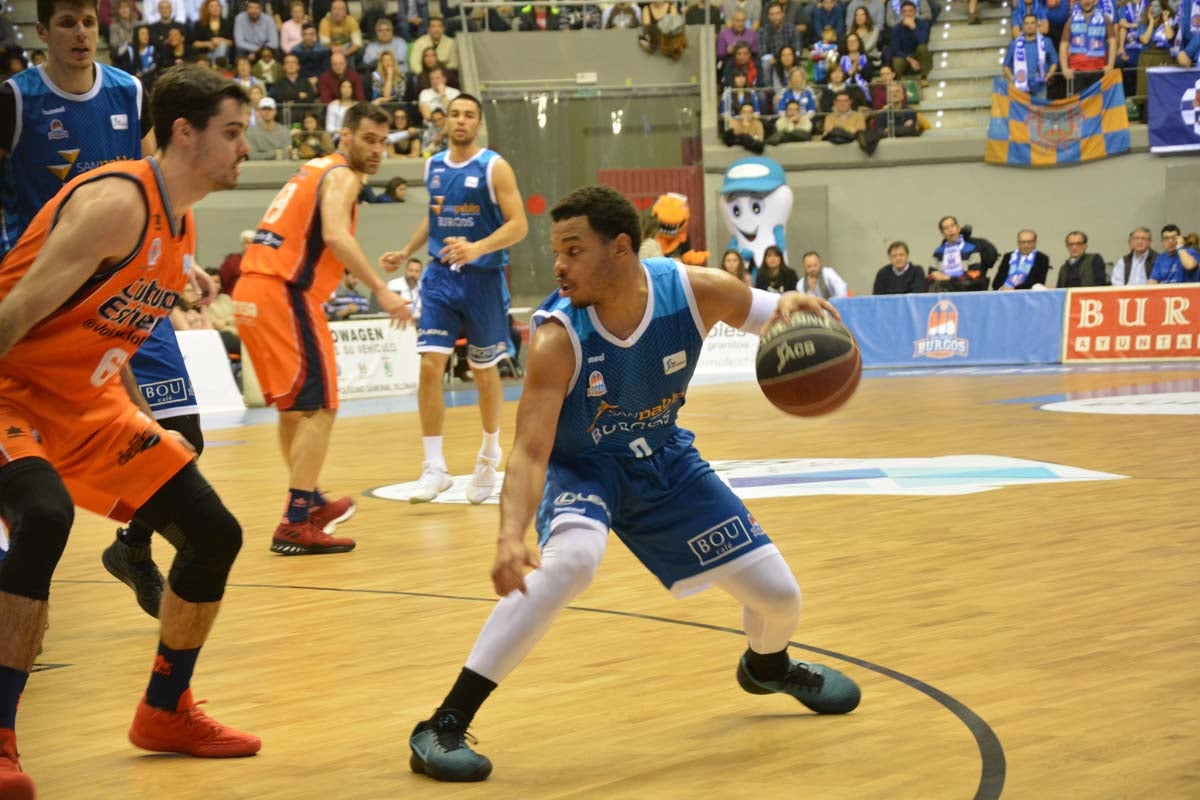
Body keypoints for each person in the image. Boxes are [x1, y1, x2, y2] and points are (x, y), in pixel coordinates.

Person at [405, 185, 861, 783]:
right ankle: (442, 724)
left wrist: (793, 307)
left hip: (663, 458)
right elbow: (529, 452)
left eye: (573, 249)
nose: (559, 266)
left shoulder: (693, 292)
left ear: (620, 249)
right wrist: (510, 534)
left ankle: (768, 667)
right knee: (572, 561)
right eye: (555, 250)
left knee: (780, 599)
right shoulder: (555, 337)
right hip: (583, 465)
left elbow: (771, 312)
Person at [0, 64, 260, 800]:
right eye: (232, 133)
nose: (246, 147)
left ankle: (165, 710)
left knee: (214, 532)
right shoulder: (117, 201)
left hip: (88, 405)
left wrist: (191, 278)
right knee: (43, 516)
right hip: (12, 391)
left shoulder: (181, 216)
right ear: (186, 133)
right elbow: (14, 313)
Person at [1, 0, 215, 619]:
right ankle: (18, 589)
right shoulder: (15, 100)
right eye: (66, 23)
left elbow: (161, 179)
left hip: (128, 288)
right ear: (42, 33)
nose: (80, 34)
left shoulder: (127, 91)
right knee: (32, 470)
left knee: (185, 434)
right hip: (47, 298)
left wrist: (185, 259)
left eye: (89, 23)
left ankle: (131, 548)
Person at [232, 102, 412, 555]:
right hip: (284, 291)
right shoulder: (343, 175)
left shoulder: (311, 169)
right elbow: (334, 234)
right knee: (322, 407)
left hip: (251, 289)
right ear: (345, 137)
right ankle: (295, 521)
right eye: (368, 140)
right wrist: (382, 290)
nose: (376, 151)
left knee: (295, 410)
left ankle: (309, 502)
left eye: (383, 143)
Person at [381, 93, 529, 505]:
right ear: (444, 123)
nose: (460, 121)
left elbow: (519, 225)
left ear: (477, 124)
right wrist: (407, 250)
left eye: (469, 116)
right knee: (430, 365)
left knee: (484, 371)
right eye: (455, 115)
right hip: (440, 276)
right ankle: (434, 468)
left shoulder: (494, 167)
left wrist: (478, 247)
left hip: (482, 278)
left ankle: (488, 455)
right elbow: (433, 215)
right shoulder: (433, 165)